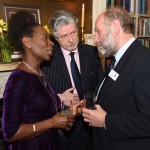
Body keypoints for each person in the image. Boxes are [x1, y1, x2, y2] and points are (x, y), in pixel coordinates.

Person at [2, 11, 76, 150]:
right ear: (27, 42)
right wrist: (52, 123)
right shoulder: (18, 80)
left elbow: (44, 112)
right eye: (45, 38)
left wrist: (69, 112)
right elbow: (10, 133)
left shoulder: (39, 74)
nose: (51, 43)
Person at [82, 7, 150, 150]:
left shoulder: (144, 61)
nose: (95, 40)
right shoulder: (118, 58)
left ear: (116, 28)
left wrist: (106, 121)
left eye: (98, 32)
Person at [41, 10, 103, 150]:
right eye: (64, 36)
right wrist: (58, 98)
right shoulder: (47, 59)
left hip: (91, 120)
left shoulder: (91, 51)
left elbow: (100, 83)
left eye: (73, 32)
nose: (71, 39)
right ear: (56, 38)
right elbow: (40, 96)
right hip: (65, 123)